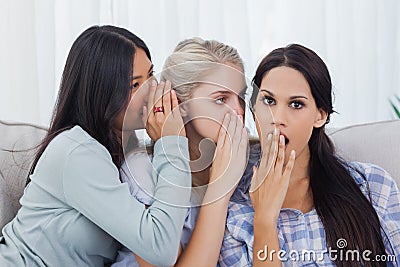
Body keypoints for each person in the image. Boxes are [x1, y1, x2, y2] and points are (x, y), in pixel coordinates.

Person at [0, 25, 193, 266]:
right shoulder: (76, 151)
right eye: (134, 85)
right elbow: (161, 249)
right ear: (101, 92)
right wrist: (173, 143)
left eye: (151, 75)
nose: (150, 91)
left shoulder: (129, 150)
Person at [219, 44, 400, 266]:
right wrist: (264, 220)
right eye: (268, 101)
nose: (277, 118)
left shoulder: (372, 186)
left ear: (320, 116)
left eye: (296, 104)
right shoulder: (231, 204)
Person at [113, 37, 250, 267]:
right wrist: (220, 189)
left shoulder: (248, 159)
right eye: (221, 99)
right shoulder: (142, 170)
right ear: (180, 104)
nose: (238, 111)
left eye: (241, 97)